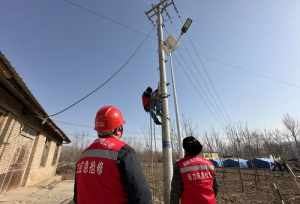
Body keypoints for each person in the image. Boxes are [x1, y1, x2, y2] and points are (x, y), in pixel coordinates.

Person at [73, 105, 152, 204]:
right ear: (118, 129)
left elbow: (76, 197)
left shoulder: (83, 156)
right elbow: (142, 198)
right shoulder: (124, 152)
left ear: (98, 130)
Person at [171, 136, 218, 204]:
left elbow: (175, 193)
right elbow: (215, 188)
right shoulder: (209, 164)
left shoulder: (180, 165)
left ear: (185, 149)